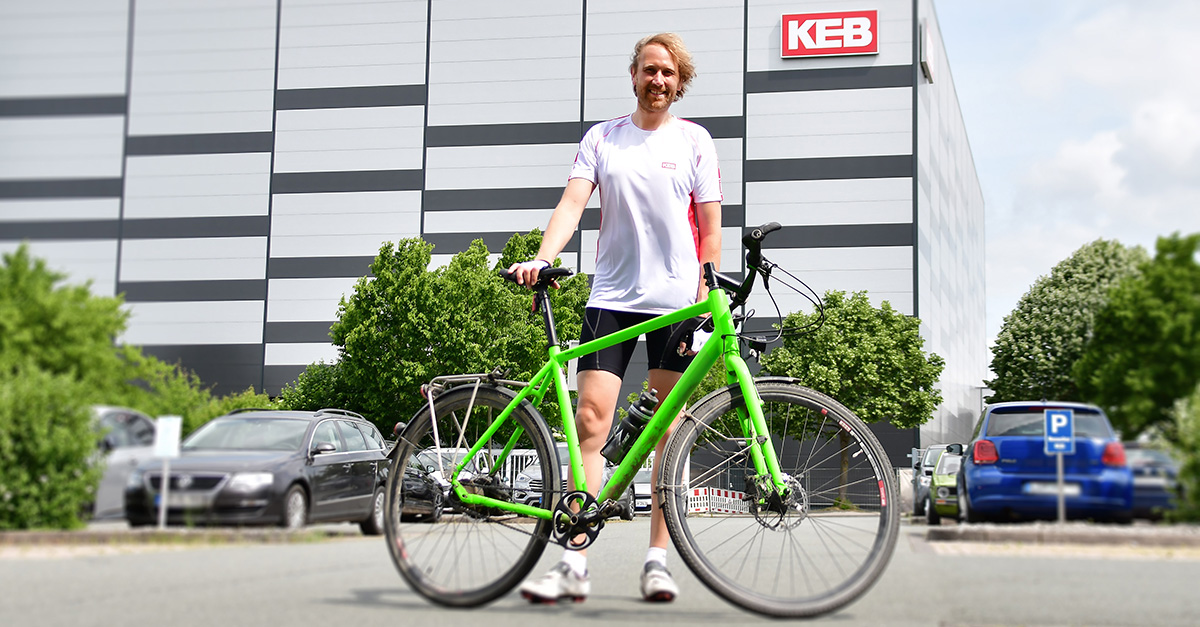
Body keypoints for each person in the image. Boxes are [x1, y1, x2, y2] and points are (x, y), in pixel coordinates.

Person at [507, 32, 722, 604]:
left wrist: (710, 297)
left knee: (665, 436)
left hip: (678, 304)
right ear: (634, 76)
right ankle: (573, 561)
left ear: (680, 83)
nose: (658, 80)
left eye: (668, 73)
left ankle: (657, 560)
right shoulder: (603, 138)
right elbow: (573, 203)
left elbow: (710, 228)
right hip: (611, 299)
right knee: (590, 425)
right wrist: (544, 257)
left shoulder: (697, 141)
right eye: (649, 70)